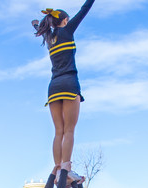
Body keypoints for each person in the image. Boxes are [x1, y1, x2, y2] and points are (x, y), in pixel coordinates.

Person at [31, 1, 94, 167]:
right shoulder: (67, 31)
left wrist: (37, 25)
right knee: (69, 130)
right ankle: (66, 168)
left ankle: (57, 168)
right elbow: (84, 10)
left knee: (58, 131)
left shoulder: (50, 38)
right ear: (65, 20)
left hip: (53, 88)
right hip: (69, 83)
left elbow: (41, 31)